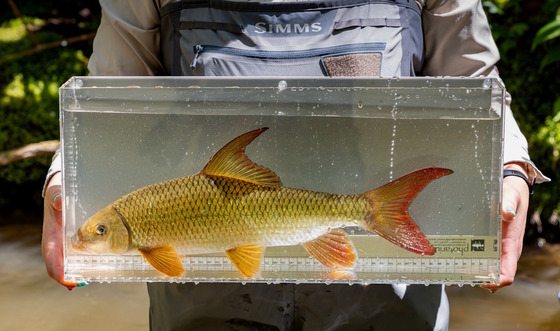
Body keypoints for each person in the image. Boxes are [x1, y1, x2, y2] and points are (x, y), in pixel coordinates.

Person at [42, 0, 549, 330]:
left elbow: (475, 85)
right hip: (203, 288)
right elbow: (111, 97)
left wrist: (508, 166)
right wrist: (67, 181)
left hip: (386, 286)